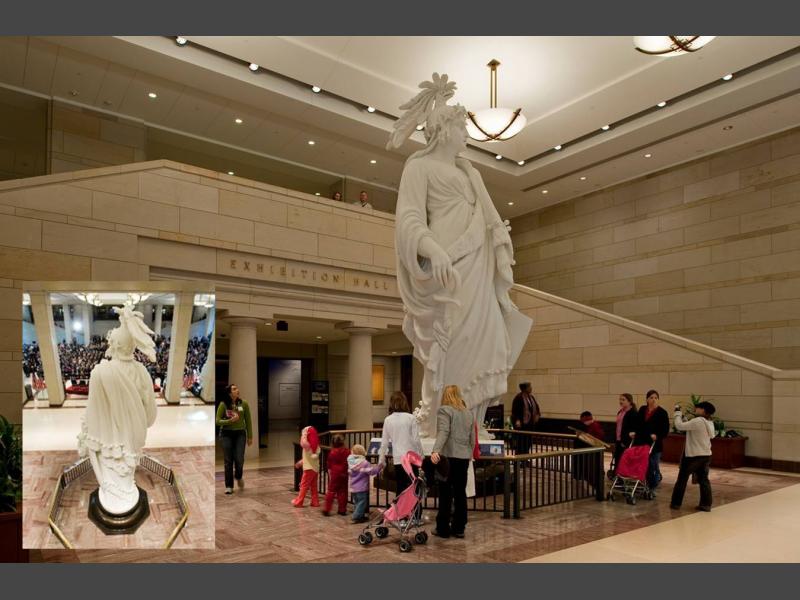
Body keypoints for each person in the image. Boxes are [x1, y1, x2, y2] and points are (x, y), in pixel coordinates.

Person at [389, 73, 532, 438]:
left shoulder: (470, 172)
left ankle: (471, 422)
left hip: (477, 270)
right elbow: (408, 218)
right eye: (461, 126)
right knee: (451, 343)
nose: (467, 133)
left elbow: (485, 218)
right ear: (443, 128)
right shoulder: (418, 167)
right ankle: (442, 419)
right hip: (447, 267)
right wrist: (432, 248)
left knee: (486, 339)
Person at [430, 385, 476, 539]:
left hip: (449, 457)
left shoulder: (445, 410)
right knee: (460, 493)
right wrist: (469, 453)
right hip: (463, 458)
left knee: (445, 493)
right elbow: (472, 438)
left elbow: (444, 431)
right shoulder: (468, 413)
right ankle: (459, 527)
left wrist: (436, 450)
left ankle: (442, 528)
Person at [670, 401, 717, 512]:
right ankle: (706, 505)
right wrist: (686, 420)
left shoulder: (698, 421)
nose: (696, 408)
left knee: (682, 479)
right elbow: (691, 429)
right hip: (706, 455)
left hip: (693, 456)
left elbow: (679, 426)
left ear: (703, 410)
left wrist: (677, 413)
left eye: (699, 407)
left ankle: (675, 503)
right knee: (704, 480)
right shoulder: (709, 422)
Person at [378, 392, 424, 498]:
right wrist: (421, 456)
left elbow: (384, 443)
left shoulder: (388, 420)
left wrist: (381, 461)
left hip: (399, 459)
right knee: (414, 487)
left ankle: (401, 513)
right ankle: (415, 513)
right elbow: (417, 440)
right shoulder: (411, 418)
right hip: (411, 458)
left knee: (400, 487)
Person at [215, 383, 253, 495]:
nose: (237, 390)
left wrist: (250, 436)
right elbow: (217, 421)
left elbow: (248, 420)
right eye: (234, 389)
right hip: (226, 434)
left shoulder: (243, 404)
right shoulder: (223, 404)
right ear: (229, 393)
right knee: (228, 461)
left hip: (240, 434)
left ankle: (239, 476)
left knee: (239, 458)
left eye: (237, 388)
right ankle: (229, 486)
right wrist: (228, 421)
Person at [633, 389, 670, 495]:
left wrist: (657, 436)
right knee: (644, 464)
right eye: (651, 398)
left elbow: (665, 429)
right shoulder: (642, 409)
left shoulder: (662, 412)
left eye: (656, 398)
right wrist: (635, 432)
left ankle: (653, 486)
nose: (653, 400)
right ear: (647, 399)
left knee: (653, 465)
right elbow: (638, 423)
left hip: (655, 444)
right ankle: (645, 483)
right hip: (642, 441)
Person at [348, 444, 382, 523]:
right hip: (362, 487)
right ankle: (356, 516)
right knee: (362, 502)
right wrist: (379, 467)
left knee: (357, 502)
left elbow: (350, 472)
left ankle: (360, 515)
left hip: (353, 487)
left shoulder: (351, 463)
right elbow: (371, 471)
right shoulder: (364, 463)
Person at [322, 434, 350, 517]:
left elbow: (329, 464)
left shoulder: (332, 452)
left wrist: (329, 470)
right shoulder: (347, 451)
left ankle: (327, 509)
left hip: (335, 474)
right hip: (344, 473)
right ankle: (342, 510)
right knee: (343, 491)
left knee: (331, 491)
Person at [292, 426, 320, 508]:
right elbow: (308, 458)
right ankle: (315, 502)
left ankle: (299, 502)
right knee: (314, 486)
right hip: (315, 468)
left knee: (303, 486)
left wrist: (304, 434)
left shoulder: (307, 446)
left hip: (308, 469)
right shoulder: (316, 447)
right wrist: (300, 463)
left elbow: (303, 443)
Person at [612, 393, 639, 476]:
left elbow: (633, 428)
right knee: (618, 459)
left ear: (629, 401)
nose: (621, 401)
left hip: (626, 440)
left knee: (624, 461)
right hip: (618, 439)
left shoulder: (633, 413)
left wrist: (626, 440)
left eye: (623, 400)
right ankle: (618, 477)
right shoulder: (620, 412)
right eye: (620, 399)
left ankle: (623, 478)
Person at [511, 382, 540, 454]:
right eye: (529, 387)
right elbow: (515, 410)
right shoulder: (518, 397)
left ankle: (525, 457)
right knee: (521, 442)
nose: (531, 388)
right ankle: (518, 459)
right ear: (525, 388)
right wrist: (517, 420)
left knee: (528, 442)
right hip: (522, 425)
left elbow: (536, 407)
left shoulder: (531, 397)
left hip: (530, 424)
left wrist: (537, 414)